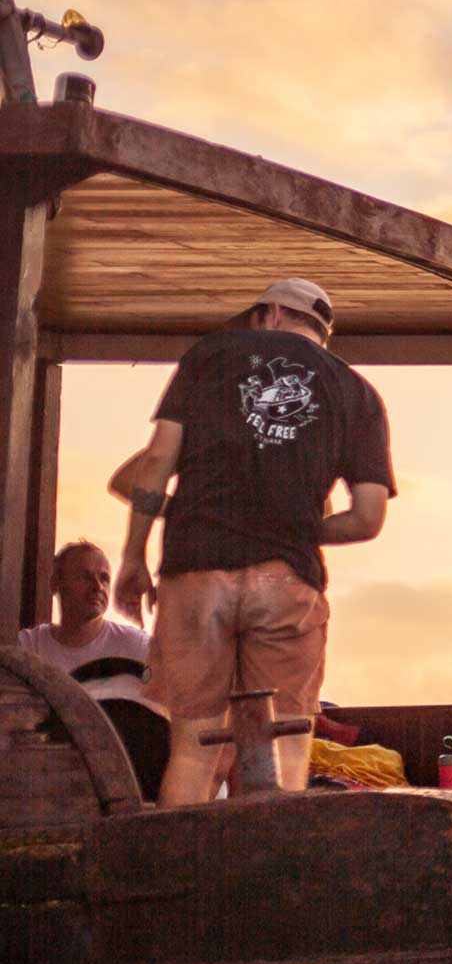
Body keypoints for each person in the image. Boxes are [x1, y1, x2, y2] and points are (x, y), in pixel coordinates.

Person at [105, 277, 395, 802]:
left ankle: (180, 876)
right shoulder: (356, 391)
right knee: (285, 747)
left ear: (271, 313)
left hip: (196, 571)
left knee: (194, 749)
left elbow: (152, 464)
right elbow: (367, 518)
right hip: (285, 580)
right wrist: (294, 528)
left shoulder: (212, 354)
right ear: (320, 331)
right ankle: (276, 877)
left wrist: (133, 556)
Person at [18, 539, 169, 794]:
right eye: (85, 577)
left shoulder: (138, 647)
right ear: (56, 584)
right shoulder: (29, 647)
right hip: (52, 781)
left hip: (123, 783)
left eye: (104, 578)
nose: (97, 586)